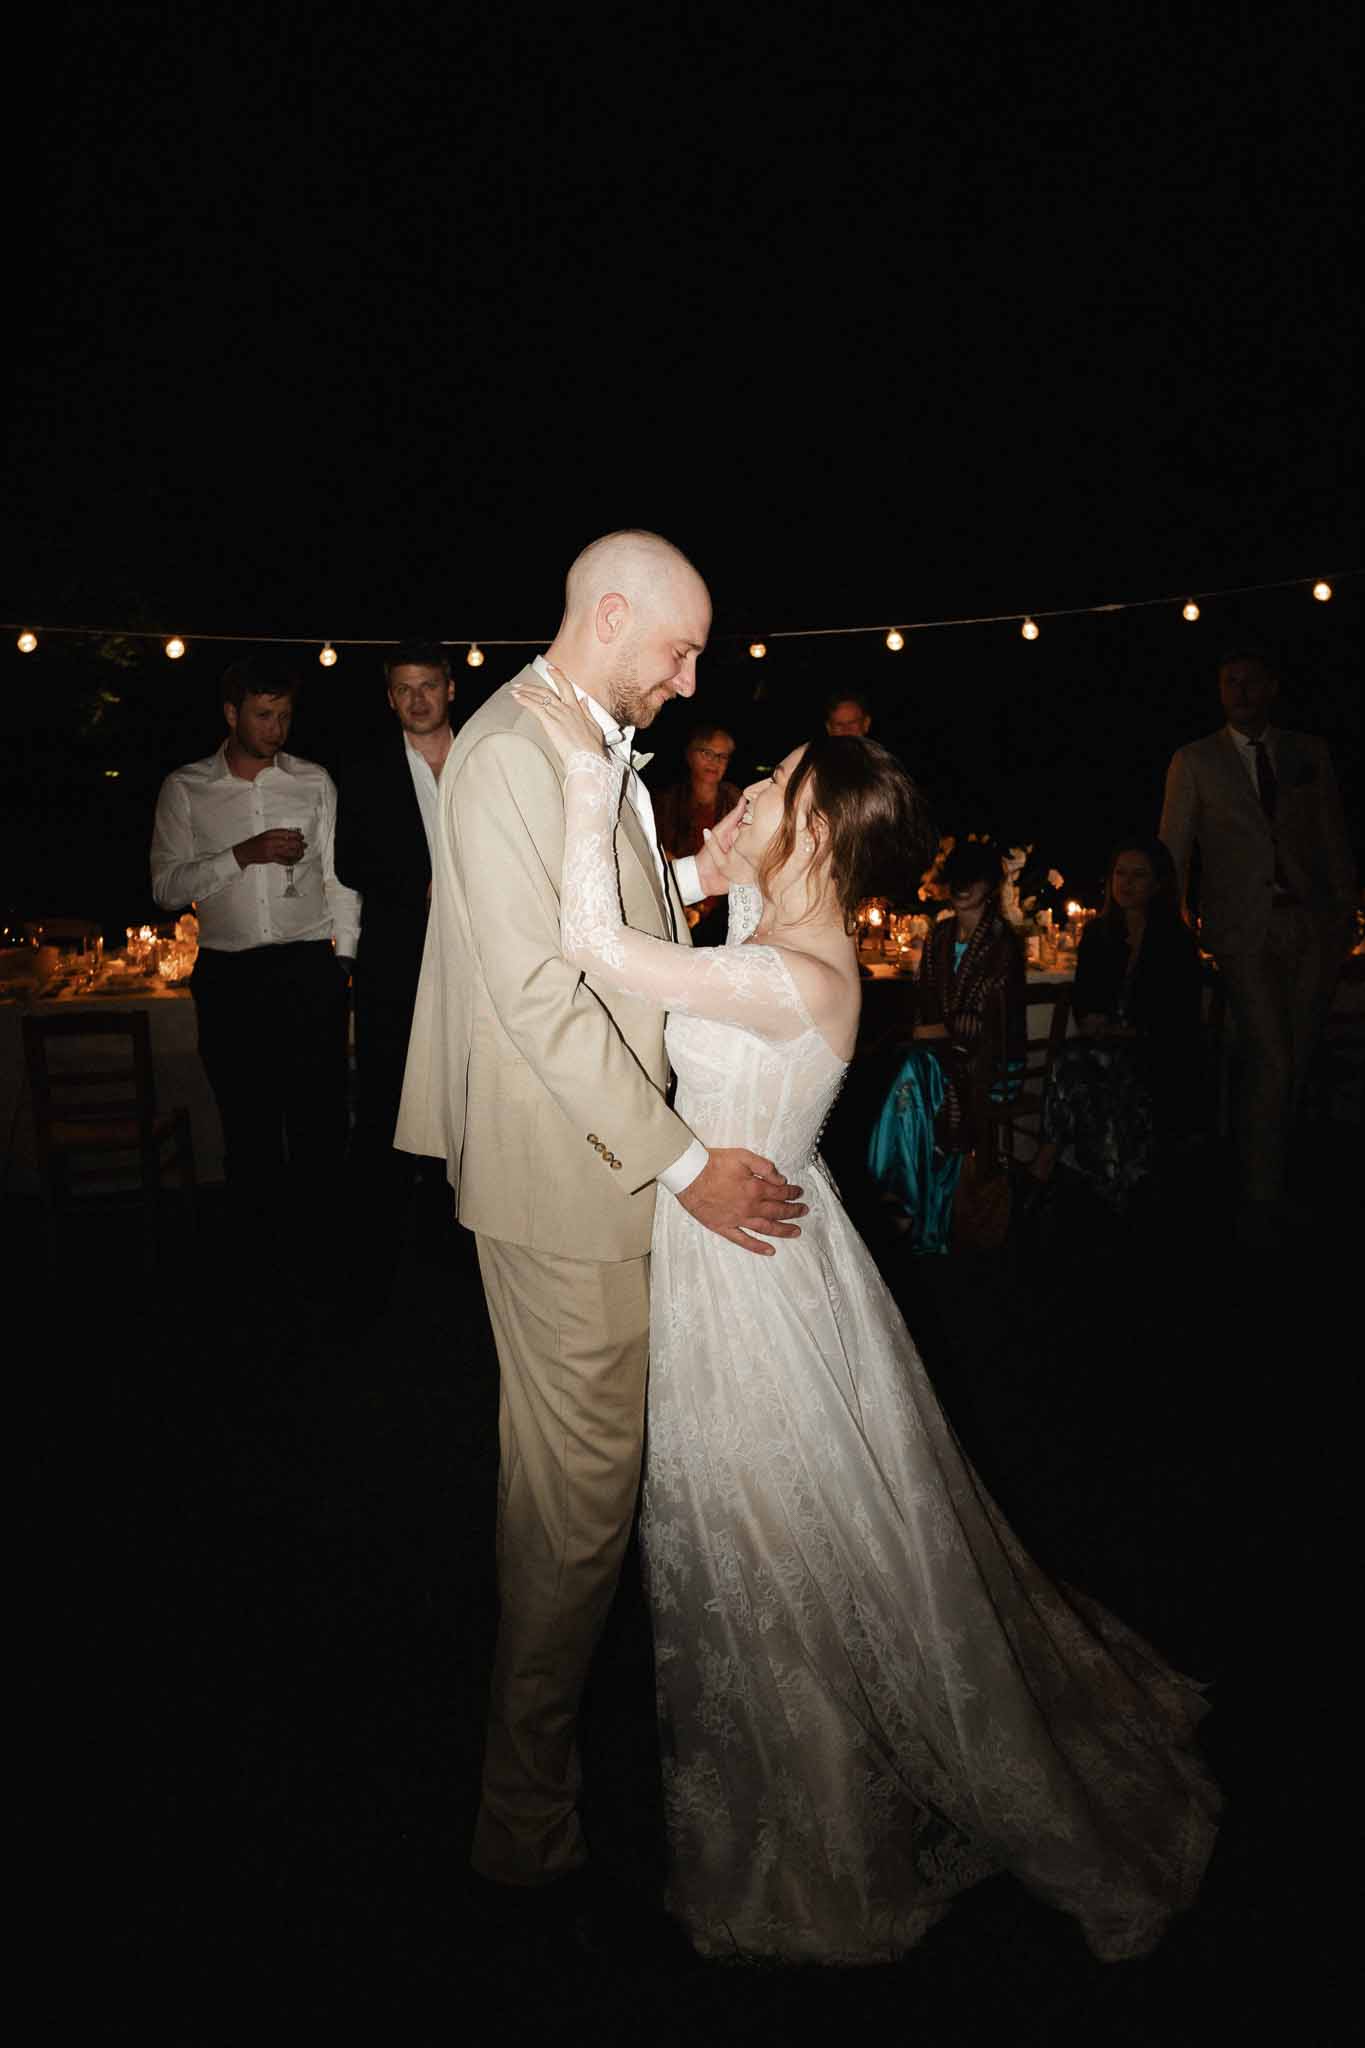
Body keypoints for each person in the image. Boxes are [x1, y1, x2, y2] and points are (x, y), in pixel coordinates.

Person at [512, 676, 1220, 1965]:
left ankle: (820, 1838)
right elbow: (675, 939)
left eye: (777, 785)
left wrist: (580, 782)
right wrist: (710, 854)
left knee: (776, 1540)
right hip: (750, 1241)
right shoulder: (775, 935)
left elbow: (591, 943)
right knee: (789, 1534)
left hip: (749, 1281)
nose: (757, 790)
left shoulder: (798, 971)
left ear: (824, 834)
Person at [394, 531, 807, 1900]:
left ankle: (546, 1788)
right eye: (678, 651)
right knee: (574, 1513)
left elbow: (608, 925)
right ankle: (521, 1831)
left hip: (601, 1167)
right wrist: (687, 1164)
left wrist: (738, 878)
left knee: (580, 1497)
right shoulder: (518, 751)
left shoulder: (578, 739)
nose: (689, 683)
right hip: (565, 1180)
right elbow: (538, 1006)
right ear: (613, 616)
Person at [150, 657, 358, 1227]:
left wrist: (343, 959)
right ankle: (259, 1263)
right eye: (264, 715)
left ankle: (323, 1253)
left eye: (285, 716)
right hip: (230, 975)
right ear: (230, 714)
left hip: (308, 969)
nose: (276, 728)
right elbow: (166, 886)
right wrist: (241, 855)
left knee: (320, 1123)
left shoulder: (313, 781)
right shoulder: (186, 788)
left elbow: (338, 878)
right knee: (249, 1126)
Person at [1159, 648, 1355, 1242]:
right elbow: (1173, 849)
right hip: (1241, 930)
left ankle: (1266, 1167)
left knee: (1293, 1052)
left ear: (1271, 686)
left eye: (1249, 680)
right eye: (1228, 681)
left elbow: (1333, 837)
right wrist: (1176, 924)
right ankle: (1259, 1195)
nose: (1239, 690)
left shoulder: (1307, 752)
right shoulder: (1194, 760)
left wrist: (1343, 918)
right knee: (1271, 1051)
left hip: (1311, 923)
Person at [334, 642, 456, 1309]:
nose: (417, 700)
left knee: (464, 1098)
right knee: (385, 1101)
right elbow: (350, 862)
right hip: (397, 960)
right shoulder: (366, 768)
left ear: (449, 690)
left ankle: (455, 1242)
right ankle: (368, 1268)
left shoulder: (482, 755)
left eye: (428, 686)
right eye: (404, 689)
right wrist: (423, 886)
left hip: (475, 960)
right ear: (389, 697)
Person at [867, 837, 1025, 1253]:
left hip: (990, 1065)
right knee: (912, 1075)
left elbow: (983, 1025)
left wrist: (928, 1033)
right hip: (941, 1057)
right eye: (956, 877)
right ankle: (909, 1202)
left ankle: (903, 1202)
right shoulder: (939, 936)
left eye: (972, 879)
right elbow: (926, 1000)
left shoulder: (1003, 942)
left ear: (990, 886)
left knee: (912, 1072)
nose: (961, 886)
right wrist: (929, 1032)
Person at [1032, 841, 1204, 1210]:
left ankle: (1049, 1167)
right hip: (1105, 1044)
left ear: (1158, 883)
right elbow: (1084, 997)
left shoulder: (1175, 940)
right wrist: (1094, 1021)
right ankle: (1093, 1175)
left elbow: (1178, 1020)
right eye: (1120, 874)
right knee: (1078, 1061)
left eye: (1138, 875)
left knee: (1087, 1066)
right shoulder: (1099, 934)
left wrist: (1123, 1031)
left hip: (1158, 1050)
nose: (1126, 883)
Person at [651, 721, 742, 942]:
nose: (715, 762)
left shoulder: (736, 800)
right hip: (677, 900)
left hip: (725, 908)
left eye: (722, 756)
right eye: (707, 753)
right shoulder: (666, 800)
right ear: (690, 756)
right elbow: (656, 851)